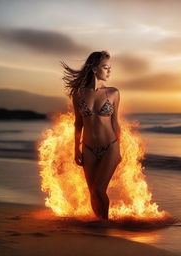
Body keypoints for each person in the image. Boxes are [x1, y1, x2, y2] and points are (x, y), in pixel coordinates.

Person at [61, 51, 122, 222]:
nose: (109, 71)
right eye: (105, 67)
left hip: (110, 147)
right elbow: (78, 123)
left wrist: (119, 149)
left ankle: (105, 224)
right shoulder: (78, 94)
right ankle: (98, 224)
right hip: (88, 149)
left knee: (99, 190)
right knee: (92, 192)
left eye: (110, 68)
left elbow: (115, 123)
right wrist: (76, 149)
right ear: (94, 69)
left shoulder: (113, 93)